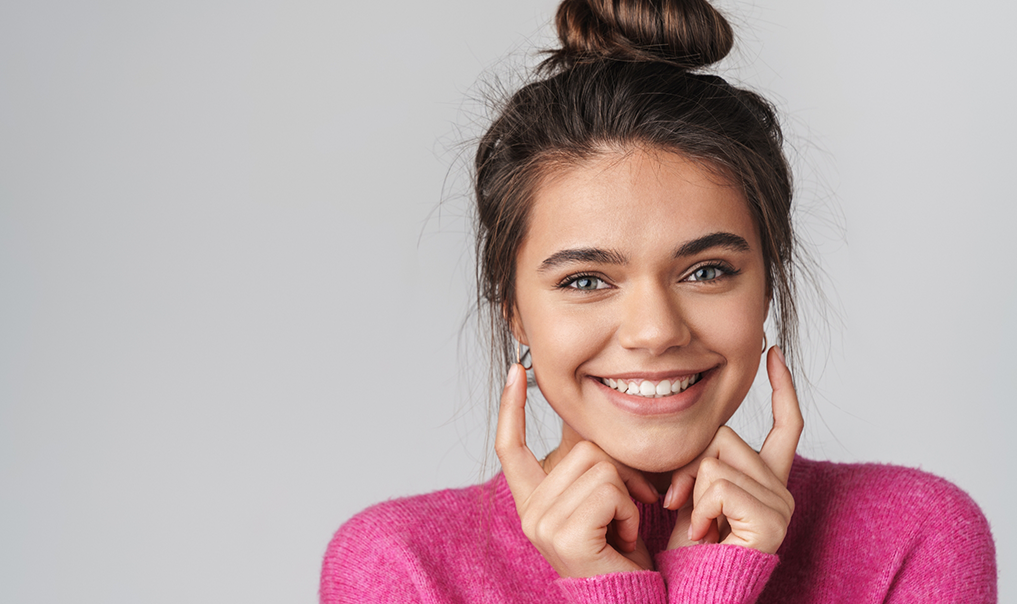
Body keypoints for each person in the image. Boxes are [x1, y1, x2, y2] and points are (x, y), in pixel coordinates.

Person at [319, 1, 998, 602]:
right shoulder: (399, 570)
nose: (653, 331)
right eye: (586, 280)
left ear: (766, 285)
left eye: (705, 271)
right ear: (515, 311)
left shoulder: (915, 537)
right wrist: (607, 588)